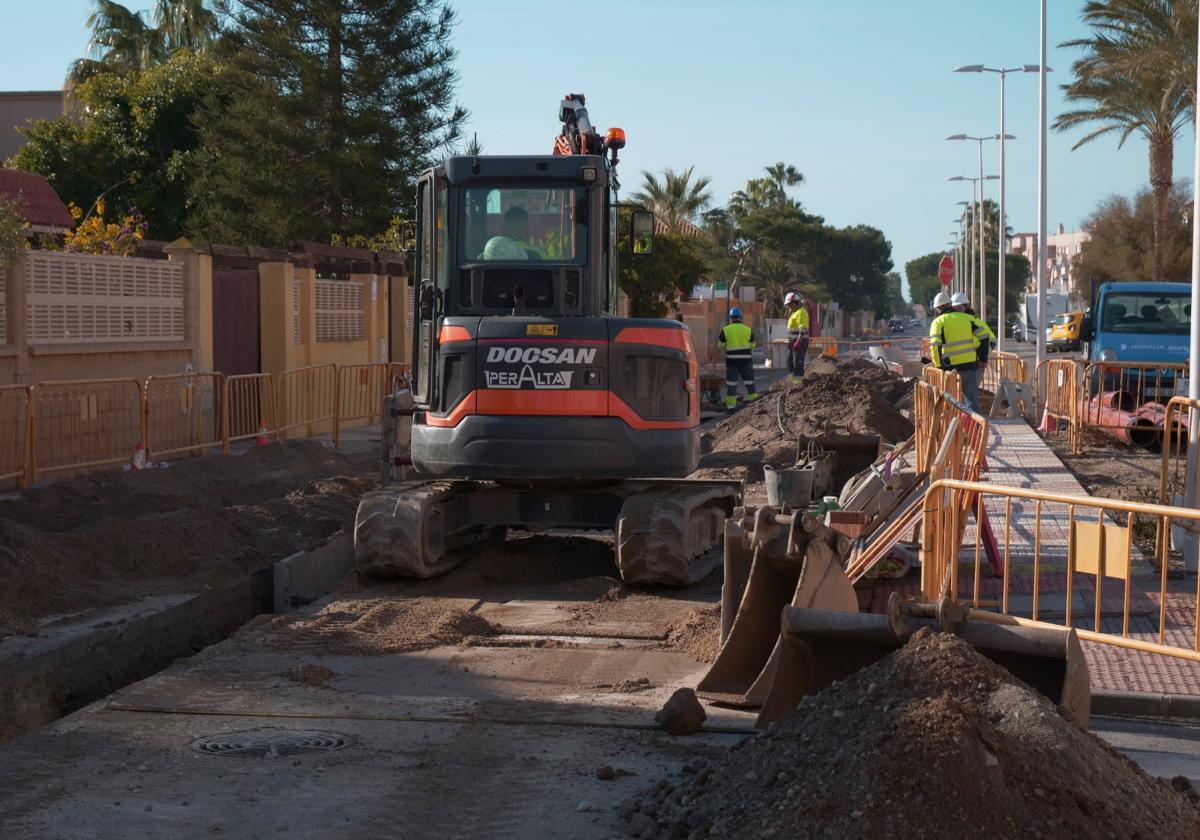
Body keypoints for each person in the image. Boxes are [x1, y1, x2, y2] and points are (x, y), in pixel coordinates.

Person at [929, 290, 982, 412]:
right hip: (969, 366)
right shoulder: (967, 318)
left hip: (950, 368)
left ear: (938, 308)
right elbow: (982, 338)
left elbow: (935, 345)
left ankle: (955, 426)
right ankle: (976, 428)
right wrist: (979, 357)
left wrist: (938, 366)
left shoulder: (938, 322)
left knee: (950, 400)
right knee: (972, 401)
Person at [717, 307, 758, 411]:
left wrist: (728, 344)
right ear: (740, 317)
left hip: (732, 362)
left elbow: (720, 345)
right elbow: (753, 345)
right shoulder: (748, 329)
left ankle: (731, 408)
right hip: (746, 361)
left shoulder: (726, 329)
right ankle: (754, 406)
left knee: (731, 385)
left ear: (731, 318)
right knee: (749, 383)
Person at [951, 292, 996, 367]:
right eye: (955, 309)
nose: (957, 311)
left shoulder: (973, 321)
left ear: (966, 307)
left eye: (960, 308)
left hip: (974, 361)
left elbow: (992, 340)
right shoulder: (959, 321)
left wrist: (980, 357)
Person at [784, 292, 810, 378]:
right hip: (793, 342)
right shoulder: (794, 313)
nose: (788, 306)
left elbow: (802, 330)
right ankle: (793, 381)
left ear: (795, 302)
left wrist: (798, 342)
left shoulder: (801, 312)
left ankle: (798, 383)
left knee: (798, 363)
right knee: (790, 362)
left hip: (800, 342)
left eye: (789, 304)